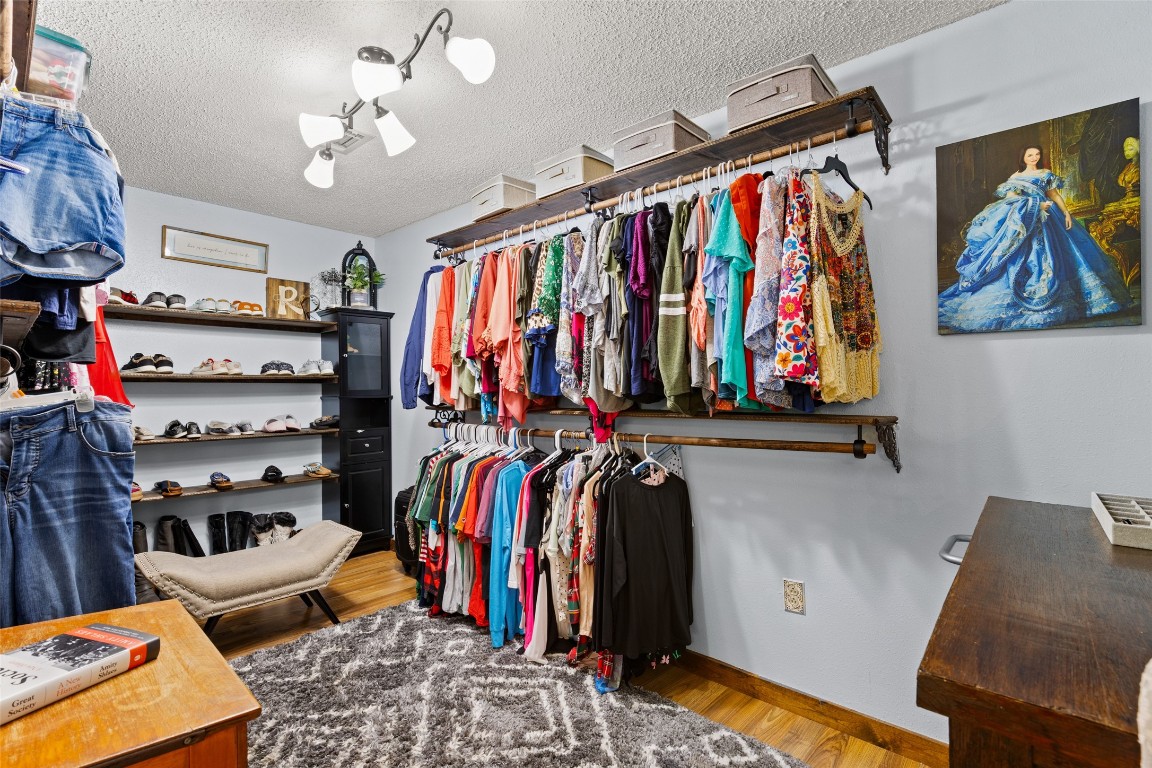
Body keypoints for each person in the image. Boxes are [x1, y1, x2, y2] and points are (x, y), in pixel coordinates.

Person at [938, 145, 1134, 332]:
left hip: (1051, 219)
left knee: (1062, 255)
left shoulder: (1045, 174)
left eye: (1037, 154)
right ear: (1023, 158)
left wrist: (1066, 213)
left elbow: (1054, 195)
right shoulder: (1016, 177)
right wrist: (1036, 205)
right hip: (1029, 220)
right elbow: (1012, 200)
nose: (1034, 158)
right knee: (1029, 256)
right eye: (1030, 155)